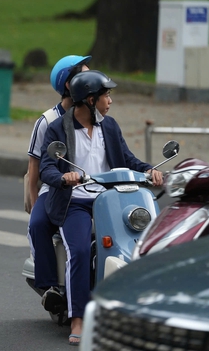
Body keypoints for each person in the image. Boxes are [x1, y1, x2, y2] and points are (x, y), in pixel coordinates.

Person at [39, 70, 163, 345]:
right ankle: (79, 318)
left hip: (111, 197)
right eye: (107, 95)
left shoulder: (110, 126)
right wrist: (63, 177)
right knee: (80, 250)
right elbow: (46, 167)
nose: (110, 100)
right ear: (90, 100)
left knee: (141, 244)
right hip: (76, 202)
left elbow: (128, 159)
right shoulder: (59, 128)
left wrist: (149, 169)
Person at [25, 55, 90, 314]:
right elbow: (34, 166)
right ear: (68, 85)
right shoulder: (47, 121)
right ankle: (49, 286)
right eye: (84, 76)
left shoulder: (97, 117)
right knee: (39, 223)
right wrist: (32, 200)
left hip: (92, 188)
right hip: (53, 187)